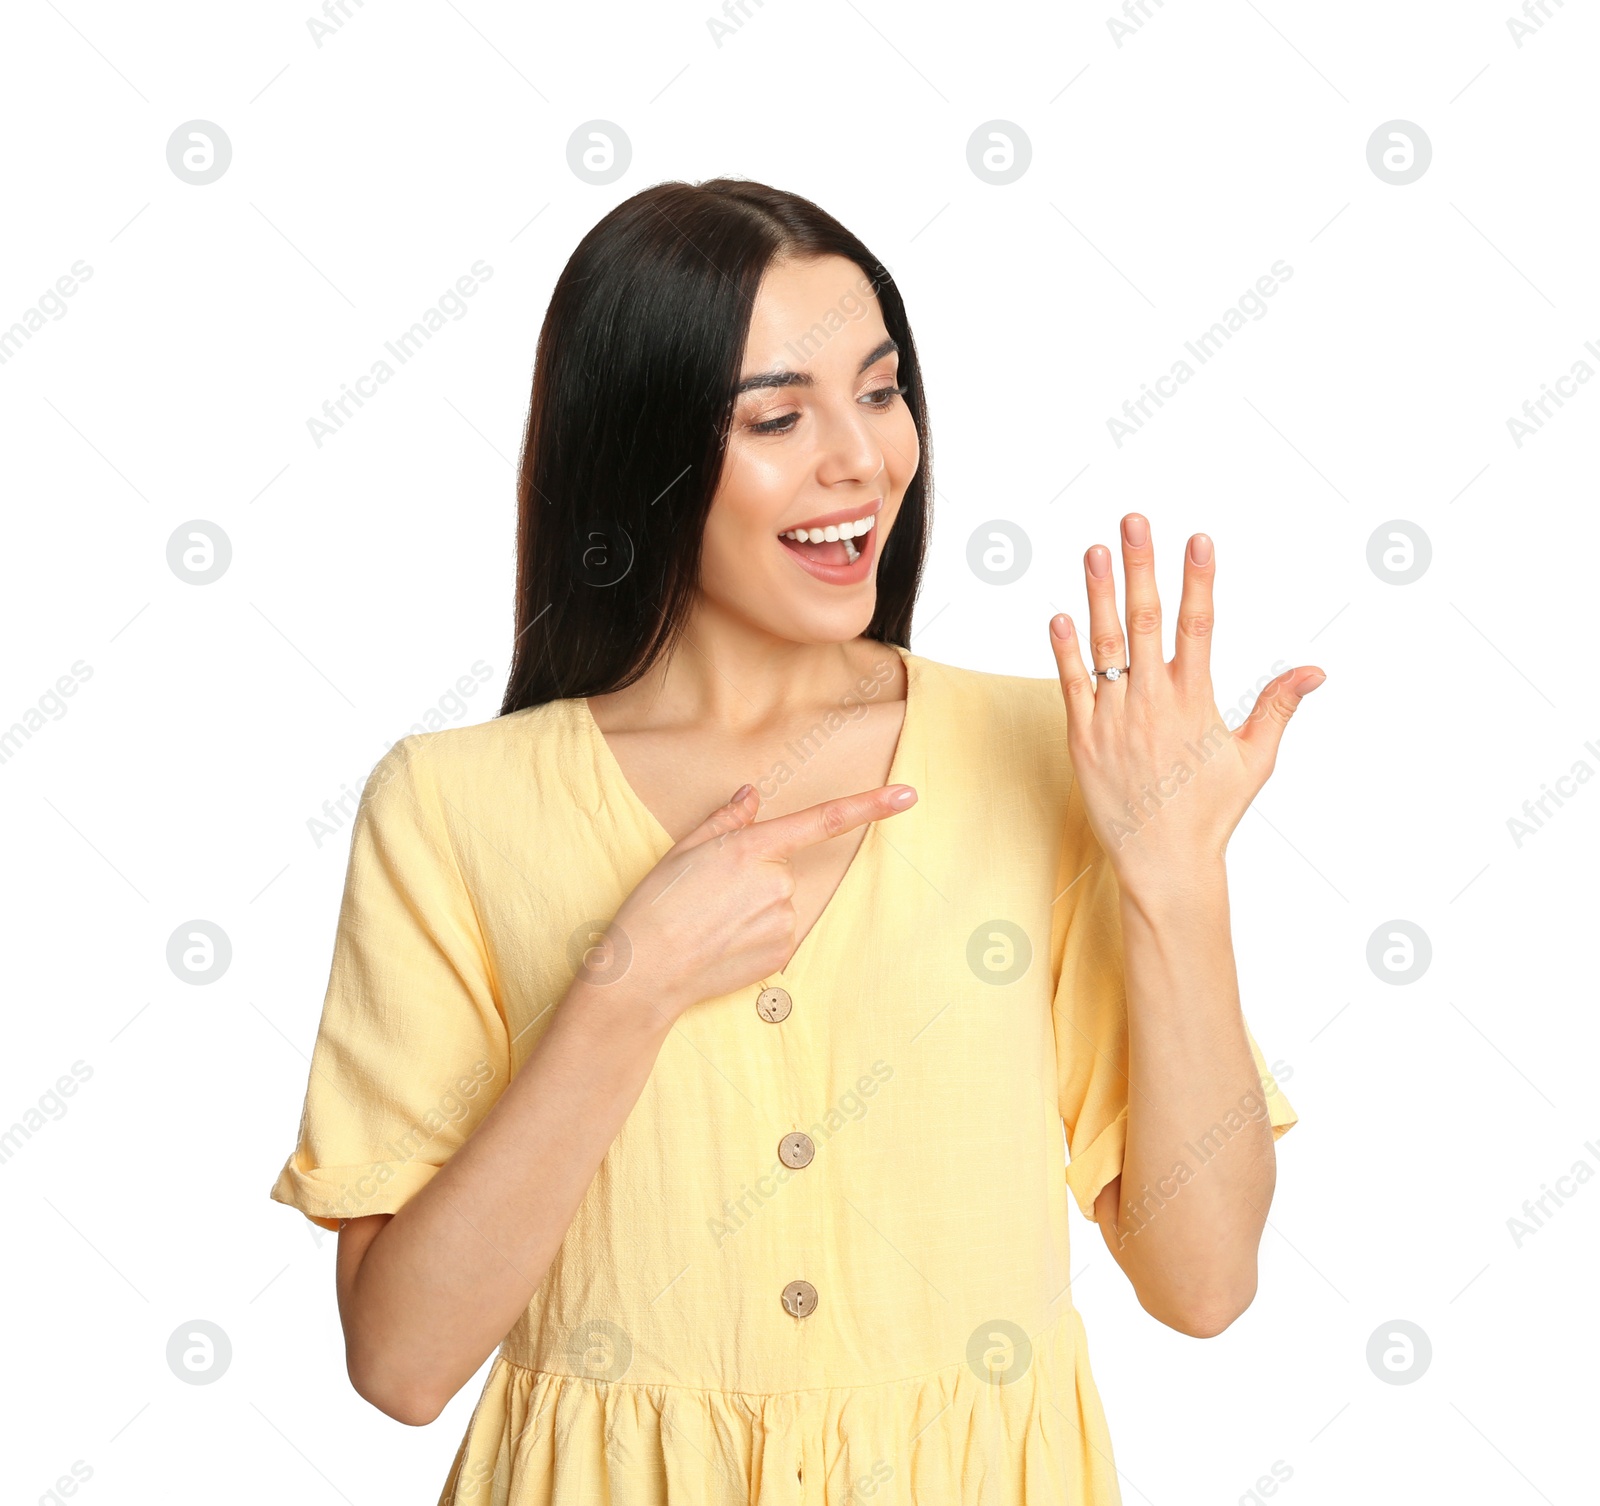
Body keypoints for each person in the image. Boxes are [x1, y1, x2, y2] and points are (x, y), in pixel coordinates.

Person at [270, 177, 1320, 1505]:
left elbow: (1208, 1279)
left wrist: (1178, 878)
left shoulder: (1057, 759)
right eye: (778, 415)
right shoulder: (450, 806)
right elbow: (404, 1363)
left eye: (880, 394)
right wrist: (625, 987)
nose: (863, 460)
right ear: (642, 449)